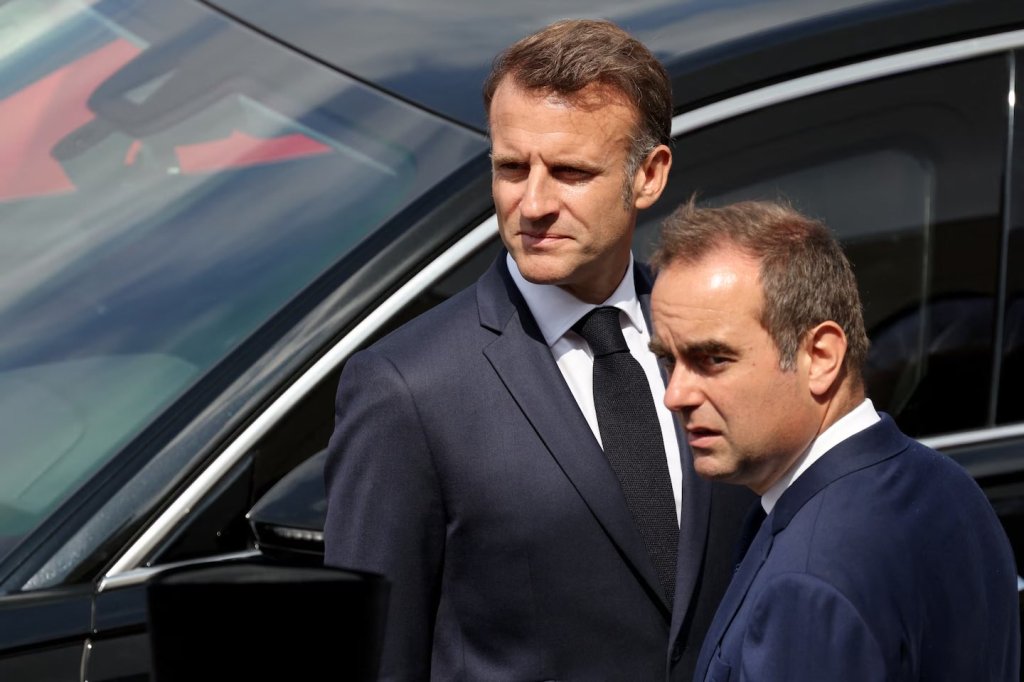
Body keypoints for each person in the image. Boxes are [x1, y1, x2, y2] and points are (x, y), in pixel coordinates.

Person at [323, 18, 752, 681]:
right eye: (512, 168)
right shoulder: (408, 389)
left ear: (649, 175)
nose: (533, 204)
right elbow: (373, 659)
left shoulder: (720, 341)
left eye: (571, 172)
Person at [648, 199, 1021, 681]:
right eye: (668, 360)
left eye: (713, 359)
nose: (675, 395)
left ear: (821, 357)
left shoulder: (808, 584)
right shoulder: (947, 485)